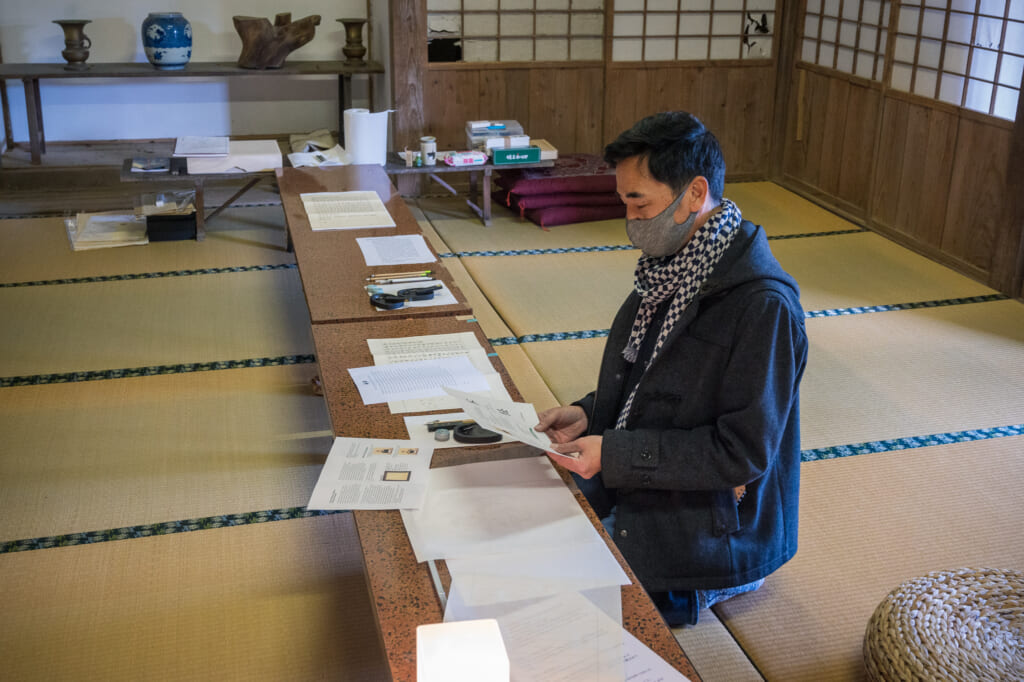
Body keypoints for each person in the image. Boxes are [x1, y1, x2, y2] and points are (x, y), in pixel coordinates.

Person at [535, 111, 808, 627]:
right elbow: (653, 386)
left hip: (719, 521)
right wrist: (587, 414)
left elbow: (742, 452)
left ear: (693, 193)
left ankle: (700, 588)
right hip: (649, 476)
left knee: (563, 601)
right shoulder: (673, 266)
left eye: (640, 201)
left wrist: (613, 453)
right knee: (530, 528)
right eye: (624, 202)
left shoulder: (762, 305)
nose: (631, 218)